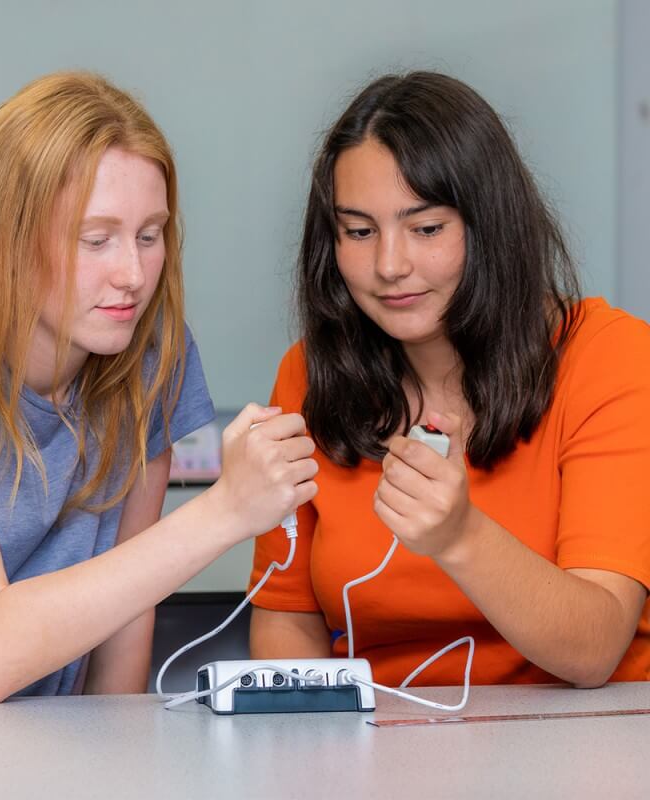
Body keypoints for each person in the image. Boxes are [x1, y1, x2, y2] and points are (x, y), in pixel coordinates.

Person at [0, 72, 317, 702]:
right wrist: (225, 510)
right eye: (96, 241)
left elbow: (127, 619)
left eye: (149, 236)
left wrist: (113, 751)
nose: (133, 275)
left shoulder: (151, 356)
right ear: (6, 243)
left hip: (35, 730)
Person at [249, 71, 650, 688]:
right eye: (359, 232)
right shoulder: (307, 375)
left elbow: (594, 648)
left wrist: (461, 537)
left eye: (427, 229)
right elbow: (287, 619)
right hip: (377, 742)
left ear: (490, 226)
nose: (389, 265)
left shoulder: (612, 356)